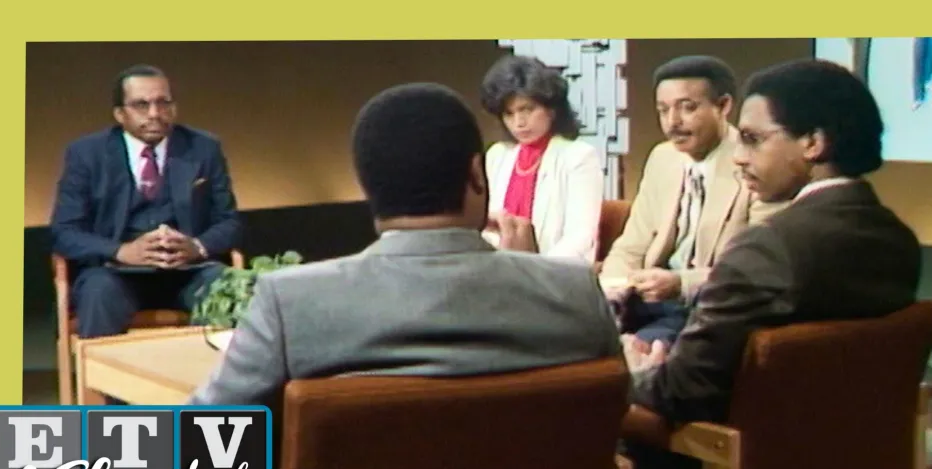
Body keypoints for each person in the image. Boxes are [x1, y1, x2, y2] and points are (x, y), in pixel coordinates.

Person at [188, 82, 623, 406]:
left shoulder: (291, 301)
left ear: (367, 185)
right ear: (477, 174)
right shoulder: (575, 290)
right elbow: (613, 414)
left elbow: (192, 447)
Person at [622, 59, 922, 469]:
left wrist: (629, 372)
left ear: (814, 143)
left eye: (754, 139)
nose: (739, 157)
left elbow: (680, 392)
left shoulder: (764, 250)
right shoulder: (899, 241)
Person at [599, 56, 785, 349]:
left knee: (636, 350)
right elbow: (631, 244)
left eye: (688, 107)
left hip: (705, 305)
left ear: (723, 106)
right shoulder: (663, 157)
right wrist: (613, 290)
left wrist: (680, 284)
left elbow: (755, 272)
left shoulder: (754, 165)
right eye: (663, 110)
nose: (673, 122)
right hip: (646, 299)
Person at [50, 64, 241, 338]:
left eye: (163, 103)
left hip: (189, 271)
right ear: (120, 113)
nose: (155, 114)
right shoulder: (86, 154)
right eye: (141, 105)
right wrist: (120, 251)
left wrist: (197, 246)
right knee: (98, 291)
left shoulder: (204, 148)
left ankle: (220, 379)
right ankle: (105, 381)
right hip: (115, 274)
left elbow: (229, 222)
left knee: (226, 286)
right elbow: (63, 232)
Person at [479, 55, 605, 264]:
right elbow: (486, 230)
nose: (518, 123)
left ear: (551, 109)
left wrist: (537, 274)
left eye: (526, 110)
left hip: (554, 276)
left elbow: (580, 238)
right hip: (499, 275)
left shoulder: (578, 156)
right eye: (509, 114)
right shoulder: (498, 155)